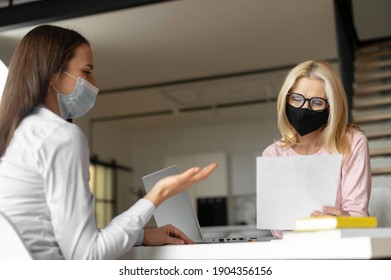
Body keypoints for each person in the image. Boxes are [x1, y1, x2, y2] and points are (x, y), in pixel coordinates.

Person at [0, 25, 217, 259]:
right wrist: (157, 195)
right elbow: (87, 255)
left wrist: (142, 236)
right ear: (53, 74)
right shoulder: (59, 136)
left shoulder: (14, 132)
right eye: (86, 72)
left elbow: (62, 238)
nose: (95, 83)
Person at [262, 60, 371, 238]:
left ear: (331, 107)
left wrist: (344, 220)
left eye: (317, 103)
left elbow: (358, 216)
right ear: (285, 99)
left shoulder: (353, 142)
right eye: (296, 99)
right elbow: (277, 228)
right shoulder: (273, 154)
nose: (304, 109)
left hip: (340, 246)